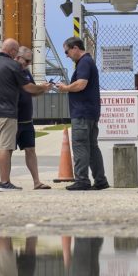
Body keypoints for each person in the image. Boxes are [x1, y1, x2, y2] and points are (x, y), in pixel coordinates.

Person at [0, 38, 48, 194]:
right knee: (5, 147)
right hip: (7, 114)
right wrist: (43, 87)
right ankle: (4, 182)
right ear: (13, 52)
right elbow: (29, 88)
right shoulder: (14, 66)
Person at [58, 36, 107, 190]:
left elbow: (81, 84)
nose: (66, 55)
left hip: (82, 113)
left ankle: (82, 180)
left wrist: (65, 88)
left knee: (80, 146)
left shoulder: (84, 62)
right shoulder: (88, 61)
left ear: (75, 48)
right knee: (92, 147)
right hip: (91, 112)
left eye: (67, 52)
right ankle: (100, 180)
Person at [6, 46, 50, 189]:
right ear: (17, 57)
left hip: (26, 119)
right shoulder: (11, 71)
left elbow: (32, 91)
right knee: (8, 150)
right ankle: (5, 181)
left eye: (30, 61)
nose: (28, 64)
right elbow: (29, 88)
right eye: (26, 60)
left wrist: (43, 89)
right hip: (12, 119)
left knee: (30, 149)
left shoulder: (26, 72)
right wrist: (40, 88)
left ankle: (36, 181)